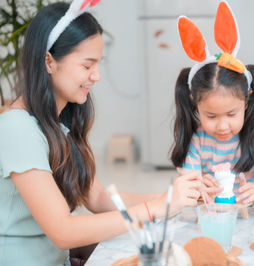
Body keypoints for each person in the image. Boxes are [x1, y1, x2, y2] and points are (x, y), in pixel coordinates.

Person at [0, 1, 201, 265]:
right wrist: (157, 208)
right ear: (49, 61)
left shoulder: (57, 123)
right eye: (87, 66)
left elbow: (97, 197)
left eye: (97, 65)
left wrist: (175, 198)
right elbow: (63, 231)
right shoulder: (17, 129)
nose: (96, 76)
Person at [171, 1, 254, 209]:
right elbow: (186, 197)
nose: (222, 126)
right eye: (211, 116)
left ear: (247, 100)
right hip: (210, 219)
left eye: (231, 114)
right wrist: (198, 192)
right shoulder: (194, 136)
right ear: (195, 104)